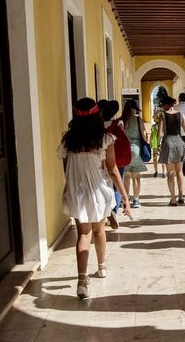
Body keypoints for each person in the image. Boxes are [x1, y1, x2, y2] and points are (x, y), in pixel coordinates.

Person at [58, 98, 132, 300]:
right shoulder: (104, 139)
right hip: (98, 191)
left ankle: (82, 281)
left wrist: (73, 186)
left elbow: (67, 169)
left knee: (83, 235)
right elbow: (113, 169)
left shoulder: (68, 141)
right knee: (99, 230)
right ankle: (102, 268)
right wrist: (125, 196)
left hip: (76, 191)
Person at [100, 99, 132, 229]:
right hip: (117, 158)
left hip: (101, 159)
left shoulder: (98, 126)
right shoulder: (118, 123)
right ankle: (114, 210)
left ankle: (106, 210)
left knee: (104, 184)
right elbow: (124, 139)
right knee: (118, 183)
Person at [156, 95, 185, 206]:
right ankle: (181, 196)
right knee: (179, 171)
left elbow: (160, 132)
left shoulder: (162, 115)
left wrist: (158, 143)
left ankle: (173, 199)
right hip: (179, 142)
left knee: (170, 173)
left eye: (162, 105)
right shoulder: (181, 115)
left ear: (166, 105)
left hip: (168, 143)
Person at [120, 101, 148, 209]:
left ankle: (125, 200)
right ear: (133, 109)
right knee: (136, 176)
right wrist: (146, 142)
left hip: (124, 149)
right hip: (136, 149)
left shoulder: (120, 120)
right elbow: (144, 135)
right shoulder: (138, 119)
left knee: (126, 176)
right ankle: (136, 200)